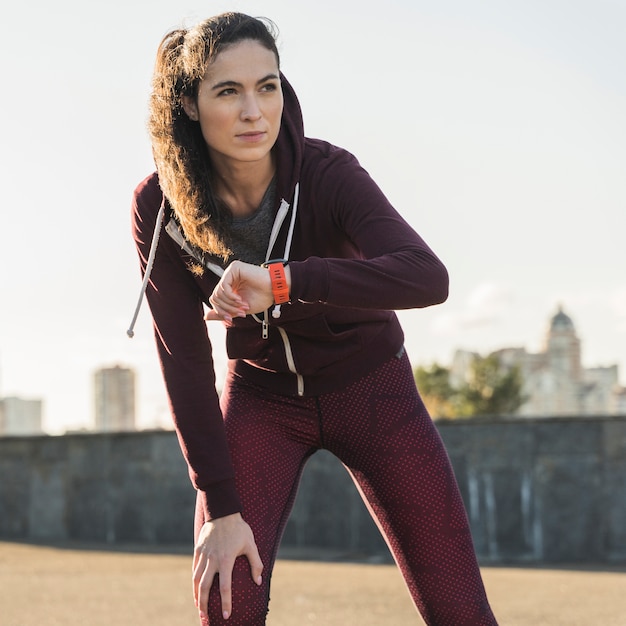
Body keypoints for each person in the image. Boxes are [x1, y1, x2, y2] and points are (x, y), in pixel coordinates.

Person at [130, 12, 498, 626]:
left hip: (373, 388)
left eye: (267, 86)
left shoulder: (328, 174)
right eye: (229, 91)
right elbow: (183, 359)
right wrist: (218, 506)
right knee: (227, 604)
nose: (254, 111)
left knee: (460, 612)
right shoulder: (159, 205)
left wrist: (283, 282)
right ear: (190, 104)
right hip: (261, 400)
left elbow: (425, 275)